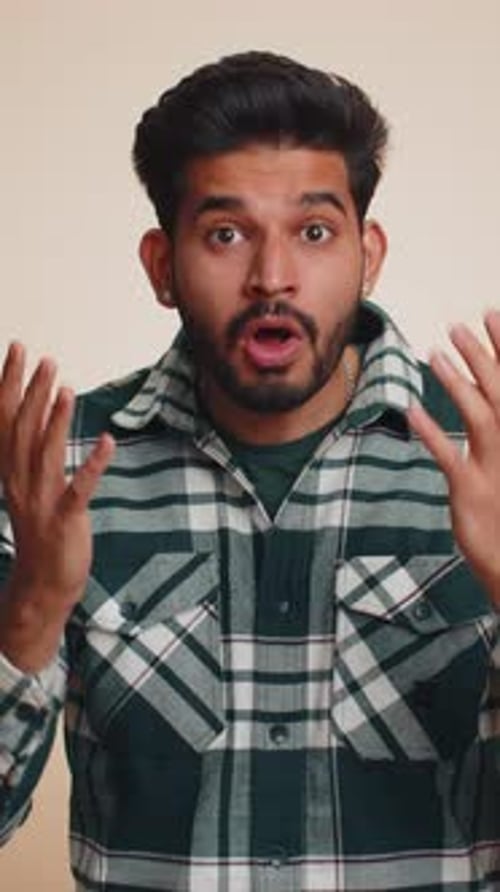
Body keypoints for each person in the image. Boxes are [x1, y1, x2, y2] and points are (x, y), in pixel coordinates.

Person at [0, 50, 499, 892]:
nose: (273, 278)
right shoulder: (56, 470)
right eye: (226, 234)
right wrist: (32, 614)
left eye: (313, 231)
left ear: (367, 253)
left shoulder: (485, 466)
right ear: (162, 265)